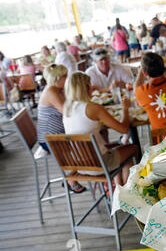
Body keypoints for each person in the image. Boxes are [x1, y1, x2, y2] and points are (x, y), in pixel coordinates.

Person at [63, 71, 138, 186]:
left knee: (116, 151)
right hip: (99, 163)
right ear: (85, 87)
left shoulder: (66, 109)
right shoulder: (93, 108)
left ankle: (119, 188)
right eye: (90, 85)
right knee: (133, 148)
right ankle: (126, 191)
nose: (92, 88)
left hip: (79, 164)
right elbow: (123, 129)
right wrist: (125, 109)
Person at [36, 64, 86, 193]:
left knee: (87, 135)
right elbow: (67, 111)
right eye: (65, 76)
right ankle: (71, 179)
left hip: (59, 134)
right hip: (51, 139)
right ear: (57, 78)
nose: (67, 78)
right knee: (86, 139)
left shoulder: (57, 89)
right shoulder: (51, 92)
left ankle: (85, 169)